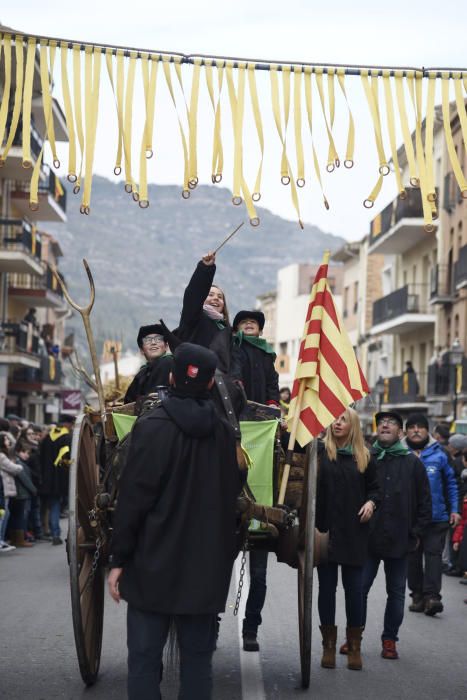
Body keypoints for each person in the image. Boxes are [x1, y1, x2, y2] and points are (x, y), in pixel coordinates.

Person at [108, 343, 246, 700]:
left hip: (151, 565)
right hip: (204, 572)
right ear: (209, 385)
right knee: (198, 664)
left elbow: (133, 502)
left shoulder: (151, 427)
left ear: (170, 377)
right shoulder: (224, 435)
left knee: (142, 660)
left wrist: (118, 560)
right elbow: (233, 501)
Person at [358, 411, 432, 660]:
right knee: (360, 589)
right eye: (382, 423)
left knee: (397, 592)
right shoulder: (367, 459)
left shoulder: (413, 463)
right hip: (368, 538)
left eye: (392, 423)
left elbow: (425, 502)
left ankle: (390, 639)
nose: (386, 425)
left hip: (400, 539)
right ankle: (354, 637)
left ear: (400, 433)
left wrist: (416, 532)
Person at [316, 408, 380, 671]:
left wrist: (371, 503)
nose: (337, 423)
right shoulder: (320, 453)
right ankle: (328, 646)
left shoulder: (365, 456)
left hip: (355, 532)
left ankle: (354, 646)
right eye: (334, 418)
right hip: (326, 530)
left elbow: (376, 489)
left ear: (353, 425)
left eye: (343, 419)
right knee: (326, 590)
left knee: (354, 592)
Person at [232, 309, 279, 652]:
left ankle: (251, 629)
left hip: (262, 419)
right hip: (234, 414)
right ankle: (210, 620)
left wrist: (274, 403)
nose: (250, 327)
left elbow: (273, 383)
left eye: (254, 324)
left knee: (260, 576)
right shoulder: (231, 347)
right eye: (245, 323)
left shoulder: (266, 353)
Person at [403, 413, 460, 615]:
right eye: (412, 427)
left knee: (434, 557)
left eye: (420, 427)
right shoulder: (400, 453)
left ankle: (432, 597)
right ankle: (417, 595)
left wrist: (454, 510)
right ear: (406, 431)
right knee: (413, 559)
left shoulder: (440, 454)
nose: (416, 430)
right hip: (409, 519)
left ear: (428, 431)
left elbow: (452, 484)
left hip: (437, 517)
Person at [39, 415, 74, 545]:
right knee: (56, 506)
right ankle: (55, 533)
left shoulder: (47, 438)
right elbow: (68, 459)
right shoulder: (67, 438)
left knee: (52, 505)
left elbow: (40, 458)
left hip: (47, 479)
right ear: (67, 425)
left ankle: (50, 531)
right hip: (61, 479)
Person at [124, 324, 173, 404]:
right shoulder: (142, 372)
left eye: (158, 339)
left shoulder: (168, 363)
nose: (153, 342)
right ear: (142, 350)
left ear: (166, 346)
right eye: (147, 340)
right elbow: (128, 401)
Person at [0, 432, 24, 552]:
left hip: (5, 488)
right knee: (3, 515)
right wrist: (19, 465)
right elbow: (14, 468)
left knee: (5, 514)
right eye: (6, 440)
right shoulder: (1, 456)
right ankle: (0, 541)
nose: (8, 442)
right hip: (3, 489)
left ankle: (2, 540)